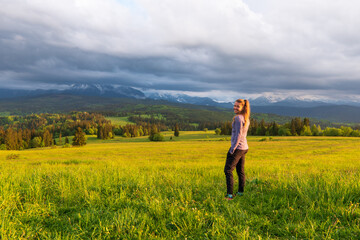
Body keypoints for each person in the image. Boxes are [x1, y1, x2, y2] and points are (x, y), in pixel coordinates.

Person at [224, 99, 250, 200]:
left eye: (237, 106)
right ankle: (240, 192)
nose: (235, 108)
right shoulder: (245, 117)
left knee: (228, 170)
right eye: (234, 106)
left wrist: (232, 149)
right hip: (244, 147)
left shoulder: (238, 118)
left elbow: (238, 135)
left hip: (238, 148)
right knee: (240, 171)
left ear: (243, 107)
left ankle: (229, 195)